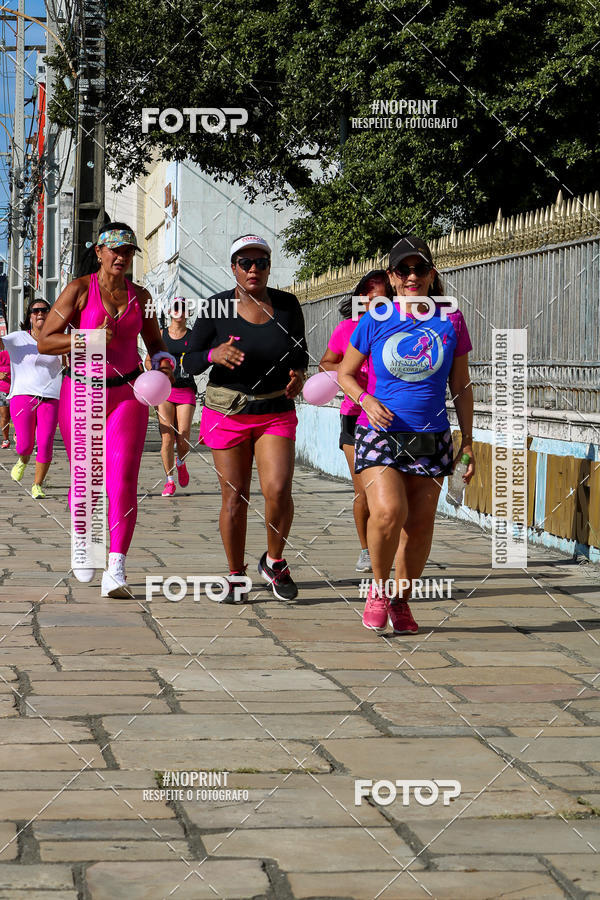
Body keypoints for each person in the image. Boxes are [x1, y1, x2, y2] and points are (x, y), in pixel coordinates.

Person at [338, 236, 475, 635]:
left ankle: (401, 600)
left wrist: (468, 441)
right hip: (379, 432)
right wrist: (365, 399)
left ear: (431, 275)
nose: (412, 276)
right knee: (387, 512)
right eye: (403, 270)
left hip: (432, 437)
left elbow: (461, 385)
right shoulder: (375, 318)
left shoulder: (451, 320)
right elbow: (343, 373)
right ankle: (378, 590)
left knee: (419, 527)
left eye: (419, 269)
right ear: (393, 279)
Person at [38, 222, 175, 597]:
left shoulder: (140, 296)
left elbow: (156, 343)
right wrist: (88, 338)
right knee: (85, 479)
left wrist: (164, 363)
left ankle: (116, 566)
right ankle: (83, 540)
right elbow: (45, 342)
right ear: (98, 251)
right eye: (114, 250)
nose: (121, 257)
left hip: (127, 394)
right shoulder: (79, 290)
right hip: (82, 392)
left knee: (123, 478)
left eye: (128, 251)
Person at [183, 234, 308, 603]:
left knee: (279, 489)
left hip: (274, 411)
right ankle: (236, 576)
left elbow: (300, 352)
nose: (254, 269)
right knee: (234, 497)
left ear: (269, 267)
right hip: (228, 412)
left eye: (261, 263)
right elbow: (188, 361)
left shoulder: (287, 305)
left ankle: (274, 561)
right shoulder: (216, 307)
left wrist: (298, 375)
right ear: (233, 267)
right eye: (245, 263)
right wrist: (213, 354)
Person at [319, 269, 393, 573]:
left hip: (393, 418)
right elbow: (326, 362)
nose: (375, 303)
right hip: (355, 415)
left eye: (382, 298)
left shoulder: (402, 326)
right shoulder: (347, 328)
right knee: (363, 490)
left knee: (394, 494)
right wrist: (351, 372)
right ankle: (366, 550)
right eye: (369, 297)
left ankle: (392, 549)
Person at [0, 299, 62, 497]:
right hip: (23, 395)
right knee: (25, 444)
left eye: (45, 310)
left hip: (51, 396)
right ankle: (23, 459)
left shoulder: (59, 338)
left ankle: (37, 485)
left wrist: (99, 334)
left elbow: (85, 345)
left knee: (45, 442)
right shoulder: (18, 338)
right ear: (30, 316)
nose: (40, 313)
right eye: (36, 311)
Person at [145, 298, 196, 496]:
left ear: (187, 313)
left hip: (186, 390)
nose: (179, 312)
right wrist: (158, 370)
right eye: (176, 308)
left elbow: (199, 358)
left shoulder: (193, 337)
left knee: (183, 436)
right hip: (164, 390)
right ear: (169, 311)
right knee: (167, 438)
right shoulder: (160, 335)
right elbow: (149, 360)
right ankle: (169, 480)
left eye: (183, 309)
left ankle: (181, 462)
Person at [0, 346, 11, 448]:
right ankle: (6, 439)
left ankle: (19, 437)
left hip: (18, 390)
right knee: (4, 416)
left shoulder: (18, 355)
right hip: (3, 390)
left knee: (19, 416)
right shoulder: (2, 354)